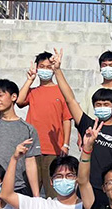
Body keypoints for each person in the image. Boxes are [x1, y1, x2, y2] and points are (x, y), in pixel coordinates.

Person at [51, 48, 112, 205]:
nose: (102, 107)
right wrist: (57, 71)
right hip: (87, 187)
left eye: (106, 104)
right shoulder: (88, 125)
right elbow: (70, 100)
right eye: (98, 104)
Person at [17, 51, 73, 198]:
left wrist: (66, 144)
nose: (45, 70)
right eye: (42, 66)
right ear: (36, 68)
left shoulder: (61, 91)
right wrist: (29, 80)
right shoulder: (33, 91)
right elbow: (19, 101)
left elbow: (67, 119)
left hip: (53, 149)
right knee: (29, 193)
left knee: (53, 192)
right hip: (32, 149)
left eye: (49, 67)